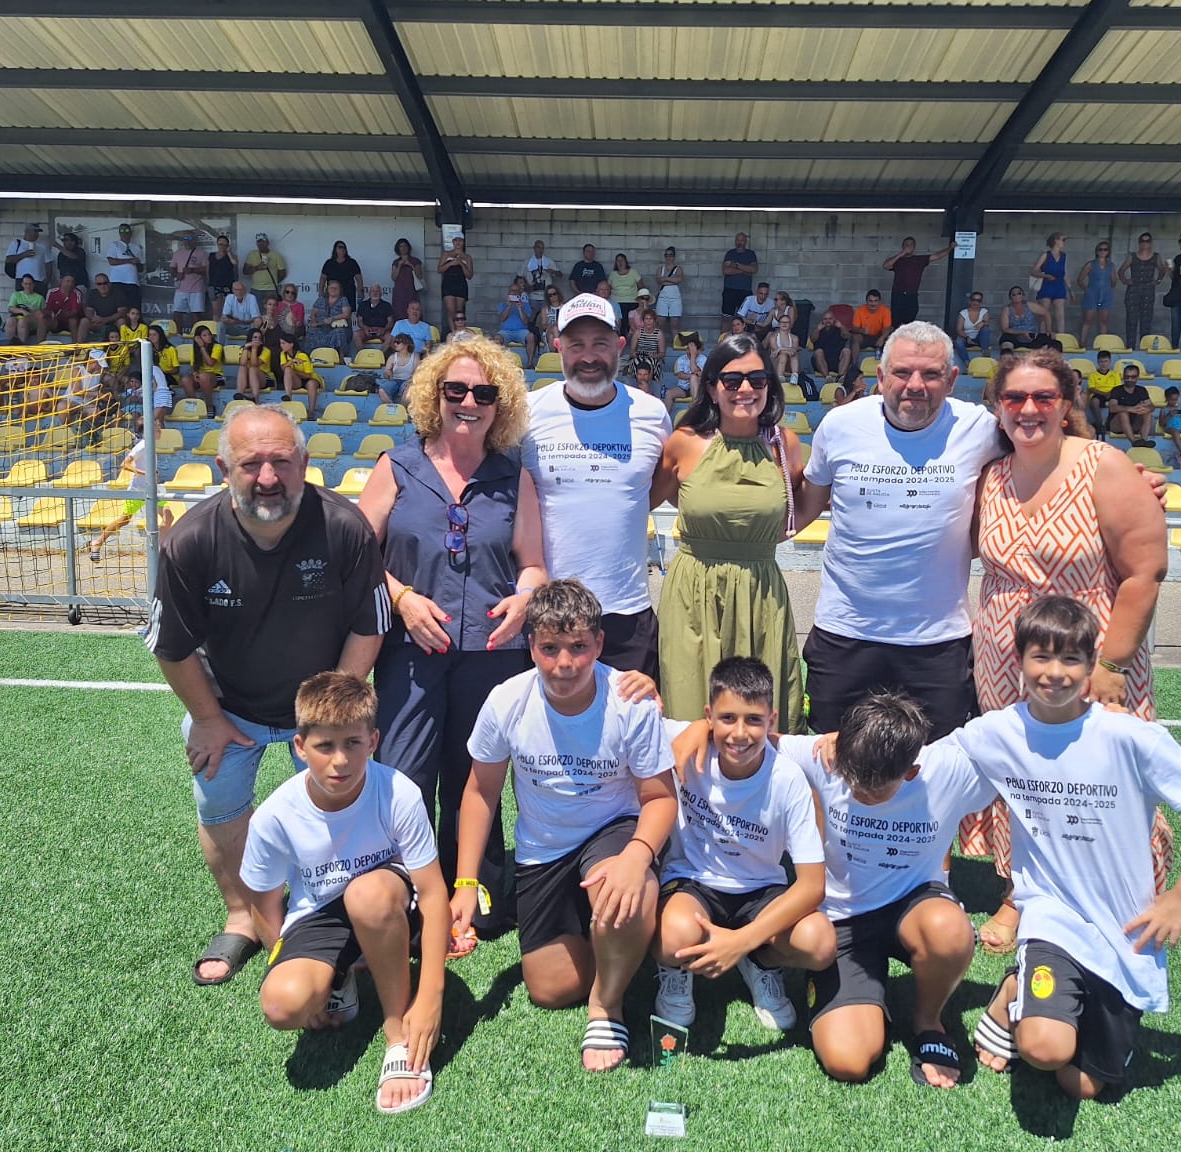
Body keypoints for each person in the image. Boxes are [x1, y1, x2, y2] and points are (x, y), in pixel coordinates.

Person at [145, 404, 391, 986]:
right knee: (220, 804)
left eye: (282, 461)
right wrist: (206, 719)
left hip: (319, 710)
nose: (268, 478)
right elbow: (171, 646)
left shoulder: (345, 527)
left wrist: (331, 717)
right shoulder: (190, 540)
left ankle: (332, 916)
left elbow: (370, 624)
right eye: (251, 463)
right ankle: (244, 916)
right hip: (229, 707)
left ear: (305, 462)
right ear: (222, 468)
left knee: (342, 809)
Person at [970, 597, 1181, 1101]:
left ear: (1094, 665)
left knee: (1085, 1086)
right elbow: (921, 762)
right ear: (1018, 660)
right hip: (1050, 918)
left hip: (1123, 929)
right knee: (1046, 1050)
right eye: (1041, 657)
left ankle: (1026, 992)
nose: (1055, 673)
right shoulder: (996, 733)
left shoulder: (1129, 736)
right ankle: (1020, 990)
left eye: (1071, 659)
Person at [964, 347, 1171, 955]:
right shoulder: (992, 476)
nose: (1028, 409)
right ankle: (1020, 888)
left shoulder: (1104, 466)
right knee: (1023, 771)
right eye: (1014, 398)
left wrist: (1111, 666)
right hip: (1004, 656)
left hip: (1091, 653)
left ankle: (1119, 888)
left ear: (1066, 404)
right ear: (998, 408)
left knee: (1100, 772)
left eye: (1043, 398)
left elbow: (1144, 573)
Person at [356, 334, 546, 947]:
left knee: (477, 774)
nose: (469, 401)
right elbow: (355, 556)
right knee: (405, 772)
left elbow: (534, 564)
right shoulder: (396, 466)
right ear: (433, 396)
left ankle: (478, 893)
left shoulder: (513, 478)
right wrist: (405, 599)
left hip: (493, 652)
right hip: (411, 650)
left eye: (483, 393)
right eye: (456, 390)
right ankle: (404, 898)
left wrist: (525, 595)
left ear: (501, 404)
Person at [452, 579, 677, 1072]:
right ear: (530, 645)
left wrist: (637, 858)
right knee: (551, 990)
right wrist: (466, 882)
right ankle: (621, 943)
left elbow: (660, 799)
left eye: (578, 647)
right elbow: (479, 792)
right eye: (549, 648)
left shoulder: (629, 701)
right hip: (544, 849)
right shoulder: (507, 701)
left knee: (626, 894)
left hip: (613, 829)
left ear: (599, 643)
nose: (565, 664)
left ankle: (608, 1004)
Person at [239, 671, 449, 1115]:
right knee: (282, 1004)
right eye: (324, 746)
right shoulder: (275, 816)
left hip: (390, 900)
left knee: (368, 895)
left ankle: (398, 1037)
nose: (340, 761)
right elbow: (263, 904)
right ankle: (341, 976)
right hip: (321, 911)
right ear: (300, 747)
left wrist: (431, 994)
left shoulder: (398, 793)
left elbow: (432, 893)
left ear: (373, 740)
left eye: (353, 743)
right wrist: (295, 965)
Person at [794, 321, 999, 740]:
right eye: (903, 373)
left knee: (934, 770)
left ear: (953, 379)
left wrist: (1128, 478)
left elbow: (1055, 449)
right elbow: (801, 511)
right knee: (832, 764)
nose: (915, 385)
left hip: (937, 642)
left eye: (932, 374)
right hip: (846, 633)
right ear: (881, 376)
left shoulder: (980, 428)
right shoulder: (840, 425)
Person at [782, 691, 993, 1086]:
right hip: (843, 921)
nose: (858, 793)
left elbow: (1033, 754)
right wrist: (700, 731)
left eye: (873, 791)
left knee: (950, 929)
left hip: (914, 907)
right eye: (852, 781)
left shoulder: (950, 770)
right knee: (849, 1062)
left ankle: (928, 1019)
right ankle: (851, 992)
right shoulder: (828, 755)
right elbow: (753, 739)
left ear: (911, 772)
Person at [653, 657, 834, 1032]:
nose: (739, 733)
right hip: (693, 881)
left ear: (771, 720)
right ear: (709, 716)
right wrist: (640, 681)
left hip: (760, 889)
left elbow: (813, 885)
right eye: (726, 718)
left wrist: (741, 942)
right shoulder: (685, 742)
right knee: (674, 935)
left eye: (753, 719)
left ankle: (761, 962)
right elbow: (626, 708)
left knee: (819, 942)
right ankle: (674, 971)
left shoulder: (787, 779)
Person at [651, 334, 804, 727]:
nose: (746, 389)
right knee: (689, 710)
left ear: (770, 384)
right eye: (732, 381)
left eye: (757, 378)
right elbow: (650, 500)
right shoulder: (683, 444)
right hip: (693, 592)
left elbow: (800, 510)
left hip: (760, 593)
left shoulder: (784, 445)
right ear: (713, 387)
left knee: (760, 717)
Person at [522, 293, 672, 675]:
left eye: (601, 344)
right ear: (557, 347)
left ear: (620, 346)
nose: (589, 356)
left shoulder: (652, 415)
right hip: (547, 611)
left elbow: (647, 494)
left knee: (629, 730)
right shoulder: (527, 413)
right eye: (576, 345)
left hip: (626, 613)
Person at [85, 421, 178, 561]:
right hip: (138, 490)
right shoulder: (142, 445)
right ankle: (97, 542)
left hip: (151, 489)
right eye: (158, 429)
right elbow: (125, 464)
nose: (161, 431)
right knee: (124, 520)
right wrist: (144, 472)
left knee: (168, 516)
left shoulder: (150, 446)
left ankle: (163, 551)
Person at [882, 236, 949, 326]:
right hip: (898, 295)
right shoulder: (898, 260)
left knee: (909, 323)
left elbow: (937, 256)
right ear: (903, 246)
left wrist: (951, 248)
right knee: (896, 322)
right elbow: (886, 265)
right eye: (906, 245)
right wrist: (902, 253)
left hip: (912, 295)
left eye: (911, 245)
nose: (908, 247)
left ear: (914, 247)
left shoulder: (919, 259)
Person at [1117, 232, 1166, 351]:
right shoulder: (1132, 256)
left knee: (1146, 319)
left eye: (1147, 241)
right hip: (1133, 290)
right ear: (1139, 243)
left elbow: (1162, 270)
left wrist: (1158, 280)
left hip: (1148, 290)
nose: (1145, 243)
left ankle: (1144, 347)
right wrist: (1125, 280)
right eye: (1143, 241)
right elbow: (1121, 270)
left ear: (1151, 243)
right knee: (1131, 320)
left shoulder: (1156, 256)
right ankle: (1130, 347)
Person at [276, 332, 323, 420]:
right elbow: (283, 368)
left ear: (291, 344)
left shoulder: (302, 355)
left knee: (311, 384)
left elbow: (309, 375)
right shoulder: (283, 354)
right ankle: (288, 396)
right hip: (297, 381)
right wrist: (291, 362)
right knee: (287, 369)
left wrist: (295, 372)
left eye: (283, 343)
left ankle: (311, 412)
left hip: (308, 379)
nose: (281, 345)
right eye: (281, 343)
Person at [1106, 362, 1155, 446]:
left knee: (1147, 412)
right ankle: (1133, 442)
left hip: (1134, 424)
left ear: (1137, 377)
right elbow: (1112, 407)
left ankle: (1143, 440)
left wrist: (1146, 408)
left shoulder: (1141, 390)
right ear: (1123, 377)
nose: (1130, 379)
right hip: (1116, 425)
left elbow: (1152, 406)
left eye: (1133, 377)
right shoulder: (1116, 390)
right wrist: (1130, 409)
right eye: (1127, 377)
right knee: (1123, 412)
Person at [1077, 240, 1115, 348]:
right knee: (1088, 320)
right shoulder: (1090, 264)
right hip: (1092, 295)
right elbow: (1080, 279)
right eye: (1100, 249)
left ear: (1108, 252)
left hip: (1106, 295)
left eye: (1105, 249)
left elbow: (1114, 281)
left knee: (1104, 321)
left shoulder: (1111, 265)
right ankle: (1082, 345)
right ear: (1097, 251)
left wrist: (1108, 288)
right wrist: (1087, 290)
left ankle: (1102, 345)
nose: (1103, 252)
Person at [1032, 233, 1070, 335]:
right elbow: (1034, 271)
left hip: (1059, 285)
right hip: (1047, 285)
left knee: (1060, 312)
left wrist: (1070, 289)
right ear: (1055, 241)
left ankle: (1061, 336)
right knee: (1045, 312)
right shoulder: (1046, 255)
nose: (1064, 242)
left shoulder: (1063, 256)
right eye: (1062, 240)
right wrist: (1046, 276)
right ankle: (1043, 335)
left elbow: (1065, 273)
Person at [170, 233, 209, 333]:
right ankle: (178, 334)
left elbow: (206, 270)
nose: (187, 241)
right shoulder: (178, 253)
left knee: (196, 314)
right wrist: (176, 274)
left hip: (197, 288)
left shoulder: (201, 253)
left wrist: (193, 270)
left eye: (190, 238)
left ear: (194, 240)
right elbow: (172, 268)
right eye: (185, 238)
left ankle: (195, 335)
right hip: (181, 288)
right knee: (177, 313)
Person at [720, 232, 758, 330]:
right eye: (737, 240)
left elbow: (753, 270)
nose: (739, 242)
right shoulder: (730, 253)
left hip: (745, 291)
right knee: (727, 318)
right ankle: (723, 341)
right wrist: (745, 270)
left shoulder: (750, 254)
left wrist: (736, 265)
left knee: (745, 318)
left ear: (745, 241)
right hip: (730, 290)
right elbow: (726, 270)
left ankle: (744, 341)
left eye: (741, 240)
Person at [181, 326, 223, 413]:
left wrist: (202, 347)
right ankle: (196, 406)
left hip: (215, 376)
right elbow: (193, 366)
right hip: (200, 375)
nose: (208, 337)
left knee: (203, 376)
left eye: (209, 334)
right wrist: (194, 374)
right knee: (185, 380)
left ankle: (209, 406)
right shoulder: (195, 349)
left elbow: (210, 363)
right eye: (204, 335)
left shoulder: (217, 346)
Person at [436, 236, 472, 335]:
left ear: (463, 242)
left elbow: (469, 275)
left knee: (459, 310)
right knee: (451, 310)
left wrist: (461, 264)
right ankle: (453, 332)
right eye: (456, 240)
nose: (458, 242)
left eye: (460, 240)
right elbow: (439, 269)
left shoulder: (467, 257)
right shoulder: (446, 254)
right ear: (452, 242)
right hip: (448, 283)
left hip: (461, 283)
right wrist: (451, 263)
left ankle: (460, 332)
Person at [307, 279, 354, 355]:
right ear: (327, 289)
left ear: (340, 290)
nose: (333, 290)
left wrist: (333, 318)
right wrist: (313, 321)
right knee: (312, 331)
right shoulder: (321, 299)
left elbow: (346, 314)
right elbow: (313, 312)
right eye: (331, 288)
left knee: (339, 332)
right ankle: (313, 356)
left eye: (336, 288)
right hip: (321, 326)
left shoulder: (343, 300)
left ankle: (340, 358)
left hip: (337, 327)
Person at [78, 274, 127, 344]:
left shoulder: (118, 293)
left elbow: (122, 312)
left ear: (109, 284)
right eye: (99, 284)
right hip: (99, 323)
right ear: (96, 285)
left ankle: (124, 347)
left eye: (105, 283)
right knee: (84, 321)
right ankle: (78, 349)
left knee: (121, 321)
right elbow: (89, 311)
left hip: (113, 323)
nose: (102, 286)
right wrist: (93, 318)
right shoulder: (92, 293)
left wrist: (105, 320)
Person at [496, 275, 536, 360]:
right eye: (512, 291)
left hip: (521, 331)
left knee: (531, 336)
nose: (514, 293)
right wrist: (508, 306)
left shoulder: (525, 305)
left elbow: (526, 322)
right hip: (506, 331)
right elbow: (501, 319)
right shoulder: (502, 305)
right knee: (497, 339)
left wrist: (520, 308)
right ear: (508, 293)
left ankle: (530, 363)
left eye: (516, 291)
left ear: (520, 293)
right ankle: (499, 364)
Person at [106, 222, 144, 311]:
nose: (124, 232)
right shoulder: (114, 244)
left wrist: (137, 263)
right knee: (118, 308)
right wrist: (130, 260)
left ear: (131, 232)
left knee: (133, 308)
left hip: (133, 281)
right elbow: (111, 261)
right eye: (122, 230)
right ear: (119, 233)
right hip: (117, 281)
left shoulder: (137, 247)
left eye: (126, 230)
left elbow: (141, 268)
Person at [1157, 386, 1181, 468]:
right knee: (1175, 432)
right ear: (1167, 398)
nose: (1174, 401)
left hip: (1180, 427)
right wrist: (1170, 414)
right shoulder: (1164, 409)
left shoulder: (1179, 408)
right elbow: (1162, 423)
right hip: (1169, 427)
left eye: (1176, 399)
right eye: (1172, 400)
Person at [5, 222, 53, 291]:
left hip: (38, 280)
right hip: (22, 280)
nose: (37, 234)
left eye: (38, 232)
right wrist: (24, 255)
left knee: (39, 301)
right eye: (35, 231)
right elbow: (9, 260)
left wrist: (47, 279)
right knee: (22, 301)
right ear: (27, 231)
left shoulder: (42, 246)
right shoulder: (16, 243)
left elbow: (48, 263)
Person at [1085, 349, 1122, 434]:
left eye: (1106, 361)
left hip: (1113, 393)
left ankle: (1109, 423)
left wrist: (1110, 394)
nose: (1103, 364)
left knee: (1115, 401)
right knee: (1094, 401)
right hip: (1099, 393)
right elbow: (1092, 388)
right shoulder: (1093, 375)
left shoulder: (1115, 374)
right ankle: (1099, 424)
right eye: (1101, 361)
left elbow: (1118, 388)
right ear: (1098, 362)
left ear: (1110, 362)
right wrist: (1104, 394)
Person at [848, 290, 893, 362]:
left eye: (876, 301)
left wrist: (882, 337)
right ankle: (854, 366)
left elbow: (887, 328)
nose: (873, 303)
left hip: (879, 336)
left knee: (890, 339)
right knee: (855, 337)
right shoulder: (860, 310)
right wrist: (862, 330)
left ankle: (890, 367)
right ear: (866, 301)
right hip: (865, 336)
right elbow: (854, 328)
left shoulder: (885, 310)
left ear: (879, 302)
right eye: (870, 301)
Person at [654, 245, 684, 350]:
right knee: (660, 322)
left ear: (674, 256)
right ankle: (659, 345)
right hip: (663, 298)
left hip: (675, 299)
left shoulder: (678, 268)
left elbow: (679, 279)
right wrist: (671, 279)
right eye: (666, 255)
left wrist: (665, 279)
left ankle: (676, 346)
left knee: (674, 324)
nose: (668, 257)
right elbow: (658, 280)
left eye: (670, 255)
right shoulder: (660, 268)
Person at [664, 330, 704, 409]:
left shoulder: (703, 359)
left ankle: (695, 405)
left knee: (693, 378)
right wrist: (693, 375)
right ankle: (665, 418)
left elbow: (697, 372)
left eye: (691, 349)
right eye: (688, 349)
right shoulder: (681, 359)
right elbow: (680, 375)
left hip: (698, 388)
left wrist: (693, 356)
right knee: (668, 393)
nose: (688, 350)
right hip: (683, 388)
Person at [999, 284, 1046, 351]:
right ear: (1010, 297)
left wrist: (1048, 330)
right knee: (1005, 340)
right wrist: (1022, 332)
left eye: (1019, 293)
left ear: (1022, 295)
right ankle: (1008, 358)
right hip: (1014, 336)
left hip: (1031, 335)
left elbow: (1046, 313)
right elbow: (1005, 329)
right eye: (1014, 295)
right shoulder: (1007, 309)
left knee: (1050, 341)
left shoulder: (1030, 305)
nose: (1017, 296)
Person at [244, 233, 287, 304]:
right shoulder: (252, 254)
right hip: (256, 289)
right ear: (256, 243)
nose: (261, 243)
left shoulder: (276, 255)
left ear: (267, 243)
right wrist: (257, 267)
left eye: (263, 241)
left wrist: (273, 281)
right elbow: (245, 271)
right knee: (256, 313)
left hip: (271, 289)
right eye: (259, 241)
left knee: (272, 312)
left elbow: (282, 272)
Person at [606, 253, 643, 334]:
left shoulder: (633, 272)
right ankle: (622, 338)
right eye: (618, 261)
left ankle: (632, 337)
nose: (620, 262)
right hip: (617, 301)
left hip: (632, 301)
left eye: (621, 260)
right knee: (621, 321)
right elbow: (608, 288)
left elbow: (641, 286)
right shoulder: (613, 274)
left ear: (626, 261)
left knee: (631, 320)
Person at [42, 274, 85, 342]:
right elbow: (48, 308)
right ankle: (39, 346)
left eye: (72, 282)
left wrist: (63, 314)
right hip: (56, 321)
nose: (70, 284)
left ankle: (75, 347)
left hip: (70, 322)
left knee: (73, 321)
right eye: (67, 281)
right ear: (61, 281)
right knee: (43, 320)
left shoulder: (77, 293)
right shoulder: (52, 292)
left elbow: (75, 311)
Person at [954, 291, 994, 364]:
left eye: (978, 300)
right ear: (970, 301)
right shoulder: (963, 313)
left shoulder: (984, 311)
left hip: (979, 338)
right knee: (958, 341)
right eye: (973, 300)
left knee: (985, 329)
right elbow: (959, 330)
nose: (975, 302)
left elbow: (987, 322)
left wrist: (983, 323)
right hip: (966, 338)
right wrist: (966, 337)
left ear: (981, 302)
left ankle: (985, 354)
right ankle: (967, 363)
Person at [377, 333, 418, 404]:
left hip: (408, 380)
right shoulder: (392, 357)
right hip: (394, 380)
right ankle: (392, 405)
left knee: (408, 391)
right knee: (382, 390)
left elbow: (417, 373)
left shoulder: (415, 356)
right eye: (394, 342)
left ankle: (402, 408)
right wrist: (387, 373)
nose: (395, 344)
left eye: (398, 342)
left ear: (406, 344)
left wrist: (410, 381)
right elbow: (386, 373)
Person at [6, 274, 45, 344]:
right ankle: (11, 345)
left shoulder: (40, 298)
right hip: (17, 318)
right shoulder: (16, 295)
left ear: (34, 285)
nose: (28, 286)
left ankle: (22, 345)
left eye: (30, 284)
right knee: (10, 321)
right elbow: (10, 308)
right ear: (22, 284)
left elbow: (43, 312)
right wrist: (23, 311)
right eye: (26, 284)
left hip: (33, 320)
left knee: (22, 321)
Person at [523, 239, 562, 311]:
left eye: (542, 248)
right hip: (532, 296)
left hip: (545, 296)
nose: (540, 250)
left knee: (544, 317)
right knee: (532, 318)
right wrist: (526, 286)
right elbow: (520, 277)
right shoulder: (527, 262)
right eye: (538, 247)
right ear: (534, 248)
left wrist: (552, 271)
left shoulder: (549, 261)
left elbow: (560, 275)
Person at [219, 279, 260, 347]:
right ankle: (220, 347)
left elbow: (255, 317)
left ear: (245, 290)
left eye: (241, 290)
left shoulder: (251, 298)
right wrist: (240, 322)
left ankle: (252, 347)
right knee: (221, 324)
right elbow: (224, 317)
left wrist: (235, 321)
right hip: (235, 327)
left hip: (249, 327)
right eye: (236, 290)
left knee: (258, 321)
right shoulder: (229, 297)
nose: (239, 292)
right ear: (233, 290)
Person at [390, 237, 422, 319]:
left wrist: (410, 265)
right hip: (399, 291)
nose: (403, 248)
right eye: (401, 246)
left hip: (411, 290)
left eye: (405, 246)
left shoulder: (415, 261)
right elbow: (394, 277)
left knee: (413, 311)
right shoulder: (396, 262)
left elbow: (419, 275)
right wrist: (400, 266)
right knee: (399, 312)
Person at [810, 308, 848, 379]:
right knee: (818, 352)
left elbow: (846, 336)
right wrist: (818, 329)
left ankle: (840, 377)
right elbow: (812, 339)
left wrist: (841, 327)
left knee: (847, 351)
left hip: (837, 361)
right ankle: (827, 377)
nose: (828, 321)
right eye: (825, 319)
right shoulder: (818, 330)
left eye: (830, 319)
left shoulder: (839, 329)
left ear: (834, 320)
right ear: (822, 320)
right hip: (821, 362)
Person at [355, 282, 394, 349]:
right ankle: (362, 355)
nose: (375, 293)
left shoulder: (387, 305)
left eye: (377, 291)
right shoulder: (363, 305)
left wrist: (384, 329)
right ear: (369, 293)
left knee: (390, 337)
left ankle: (380, 356)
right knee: (356, 335)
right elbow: (359, 321)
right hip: (367, 331)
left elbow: (390, 322)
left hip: (382, 331)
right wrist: (365, 328)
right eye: (373, 291)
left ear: (381, 294)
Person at [206, 233, 238, 312]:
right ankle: (216, 324)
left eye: (225, 245)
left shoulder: (231, 256)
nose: (222, 246)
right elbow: (207, 270)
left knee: (227, 312)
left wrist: (229, 252)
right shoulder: (211, 255)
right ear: (217, 244)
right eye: (220, 244)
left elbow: (235, 263)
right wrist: (209, 284)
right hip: (214, 285)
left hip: (228, 286)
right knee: (216, 311)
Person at [53, 231, 88, 295]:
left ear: (73, 242)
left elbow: (73, 256)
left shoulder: (80, 251)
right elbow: (61, 271)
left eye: (65, 240)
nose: (64, 242)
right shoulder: (61, 254)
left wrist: (58, 246)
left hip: (79, 283)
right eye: (63, 240)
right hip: (66, 285)